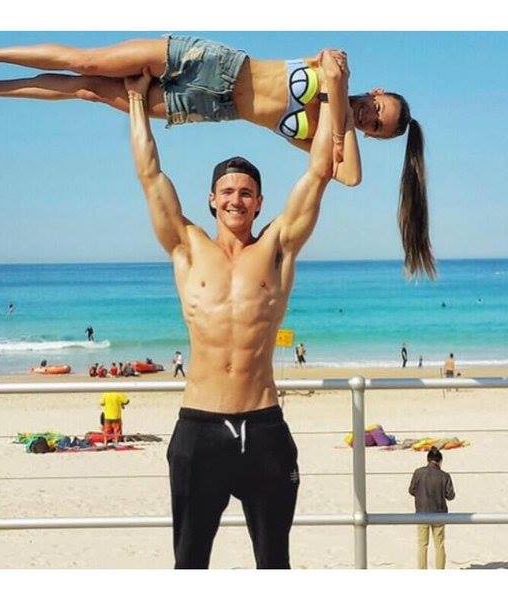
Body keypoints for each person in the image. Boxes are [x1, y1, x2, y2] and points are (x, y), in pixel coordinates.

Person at [0, 36, 434, 277]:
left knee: (90, 92)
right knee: (88, 62)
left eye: (375, 125)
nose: (368, 116)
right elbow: (333, 67)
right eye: (376, 107)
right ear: (378, 92)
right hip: (212, 63)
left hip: (210, 108)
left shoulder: (325, 128)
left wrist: (342, 112)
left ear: (372, 136)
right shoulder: (334, 68)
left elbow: (349, 178)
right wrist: (340, 98)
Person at [126, 63, 339, 568]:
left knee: (274, 564)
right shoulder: (186, 246)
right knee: (189, 564)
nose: (235, 199)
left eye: (245, 192)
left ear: (260, 202)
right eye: (227, 191)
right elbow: (150, 175)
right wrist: (136, 101)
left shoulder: (277, 247)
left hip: (264, 430)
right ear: (211, 199)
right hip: (198, 430)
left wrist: (331, 93)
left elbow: (319, 172)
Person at [409, 447, 455, 569]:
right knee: (439, 545)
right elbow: (450, 496)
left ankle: (422, 570)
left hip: (422, 513)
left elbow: (411, 490)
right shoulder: (444, 475)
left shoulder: (418, 472)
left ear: (428, 460)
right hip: (439, 514)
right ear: (440, 461)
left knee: (422, 545)